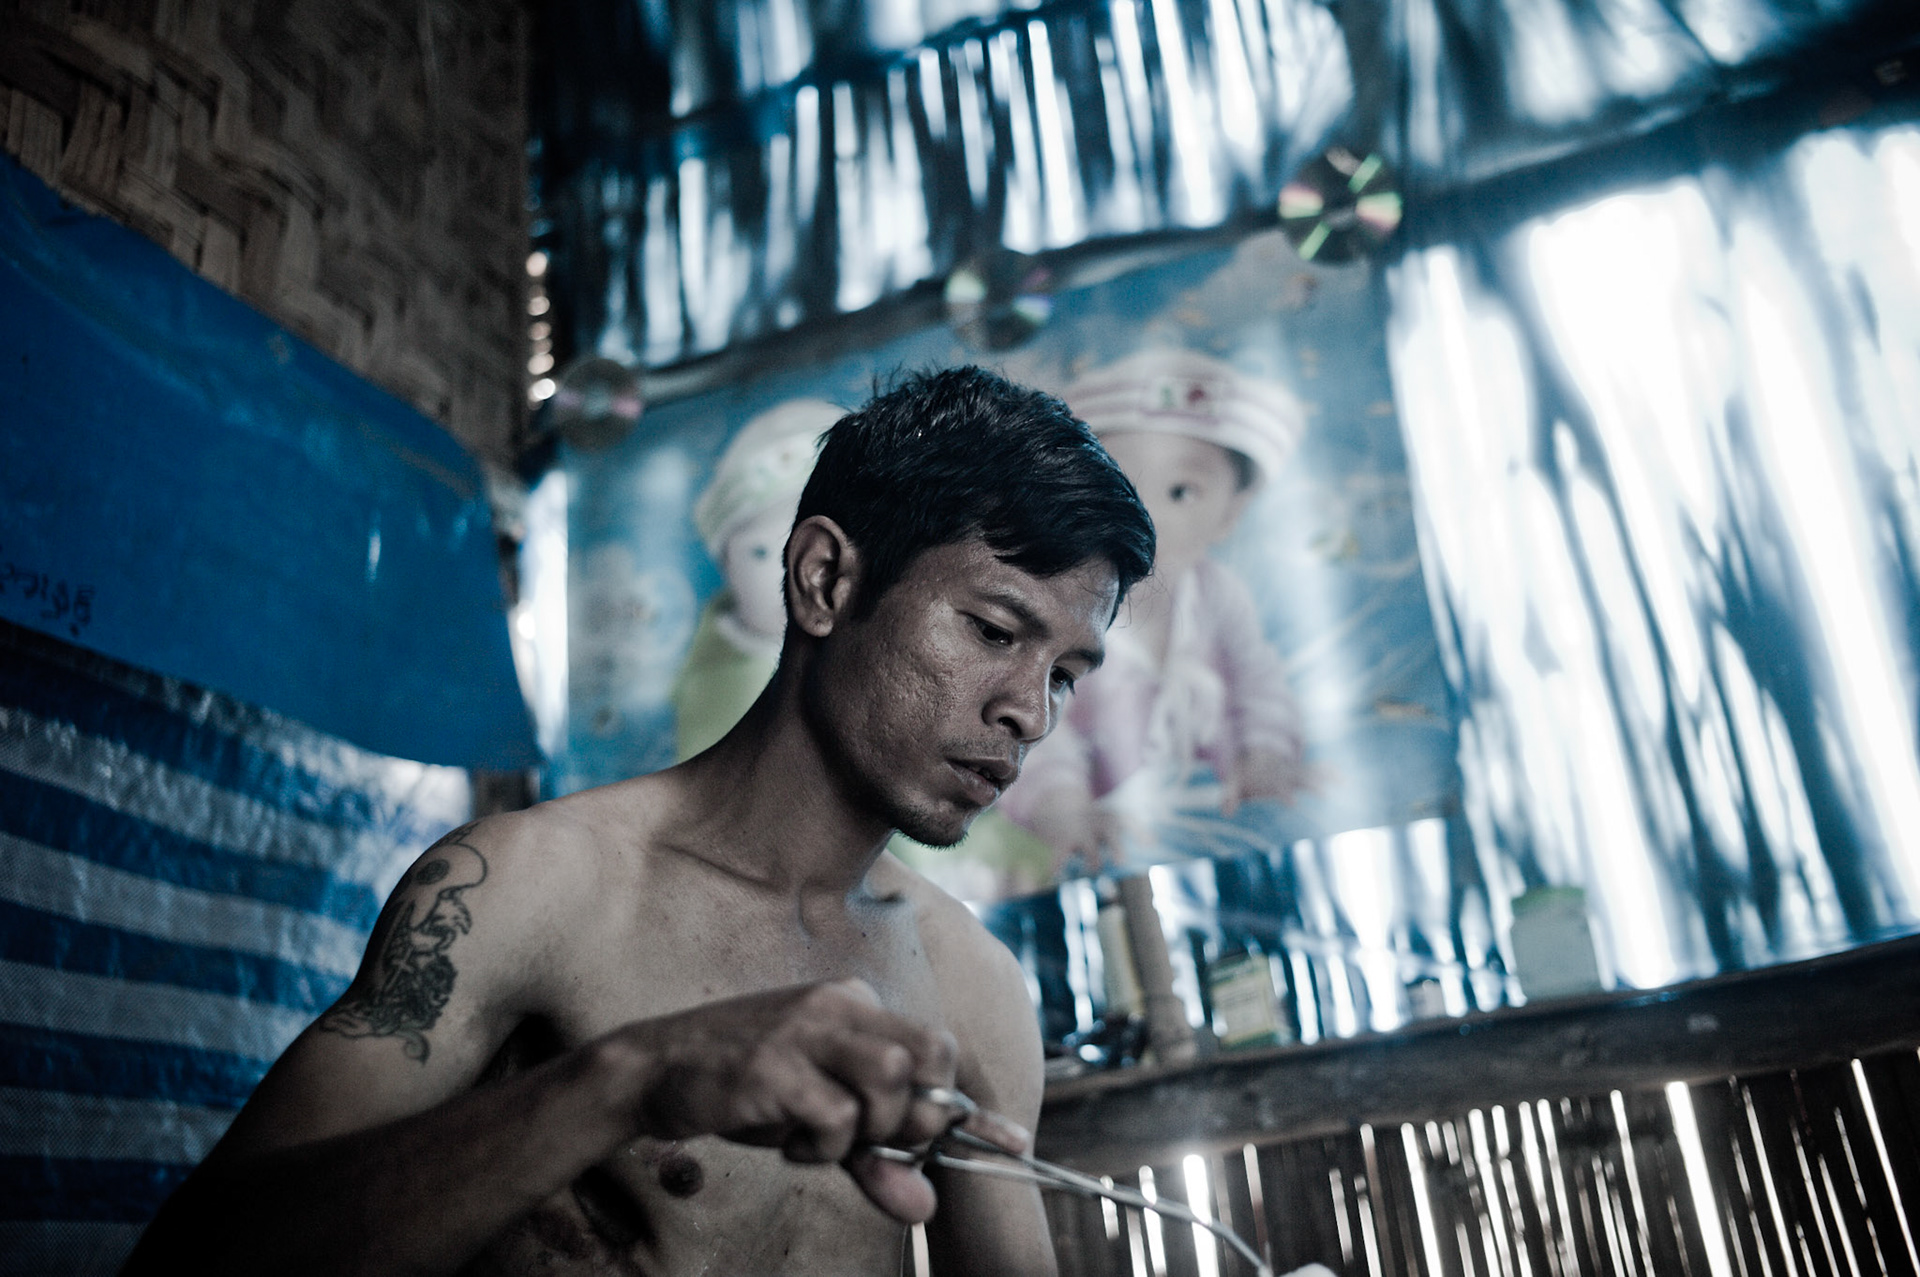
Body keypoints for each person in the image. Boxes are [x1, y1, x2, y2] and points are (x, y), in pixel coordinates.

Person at [122, 366, 1156, 1277]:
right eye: (991, 628)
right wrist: (625, 1078)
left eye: (1065, 673)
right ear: (825, 578)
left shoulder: (971, 988)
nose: (1029, 709)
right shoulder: (527, 889)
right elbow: (194, 1256)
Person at [1002, 347, 1309, 872]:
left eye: (1181, 492)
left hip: (1199, 801)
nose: (1147, 516)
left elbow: (1255, 679)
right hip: (1095, 822)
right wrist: (1062, 807)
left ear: (1230, 512)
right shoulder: (1065, 608)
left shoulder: (1217, 594)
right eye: (1122, 490)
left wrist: (1264, 751)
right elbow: (1038, 724)